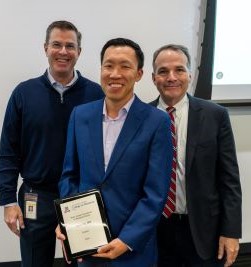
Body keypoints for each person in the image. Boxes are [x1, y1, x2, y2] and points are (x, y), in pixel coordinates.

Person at [56, 37, 173, 267]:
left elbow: (156, 193)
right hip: (88, 247)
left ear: (139, 74)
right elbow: (69, 175)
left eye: (125, 66)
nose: (115, 73)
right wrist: (68, 221)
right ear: (101, 69)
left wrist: (127, 240)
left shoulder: (156, 121)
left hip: (132, 251)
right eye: (108, 65)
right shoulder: (80, 115)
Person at [0, 20, 104, 267]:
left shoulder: (96, 95)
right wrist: (9, 201)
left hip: (81, 196)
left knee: (85, 262)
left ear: (79, 52)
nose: (63, 51)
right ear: (46, 48)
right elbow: (8, 151)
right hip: (37, 195)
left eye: (70, 46)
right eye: (57, 44)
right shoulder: (24, 93)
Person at [150, 44, 242, 267]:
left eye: (179, 70)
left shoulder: (215, 115)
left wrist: (231, 232)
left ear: (190, 75)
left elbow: (229, 180)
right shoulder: (143, 117)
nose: (171, 77)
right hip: (155, 231)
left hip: (203, 231)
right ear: (153, 78)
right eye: (163, 71)